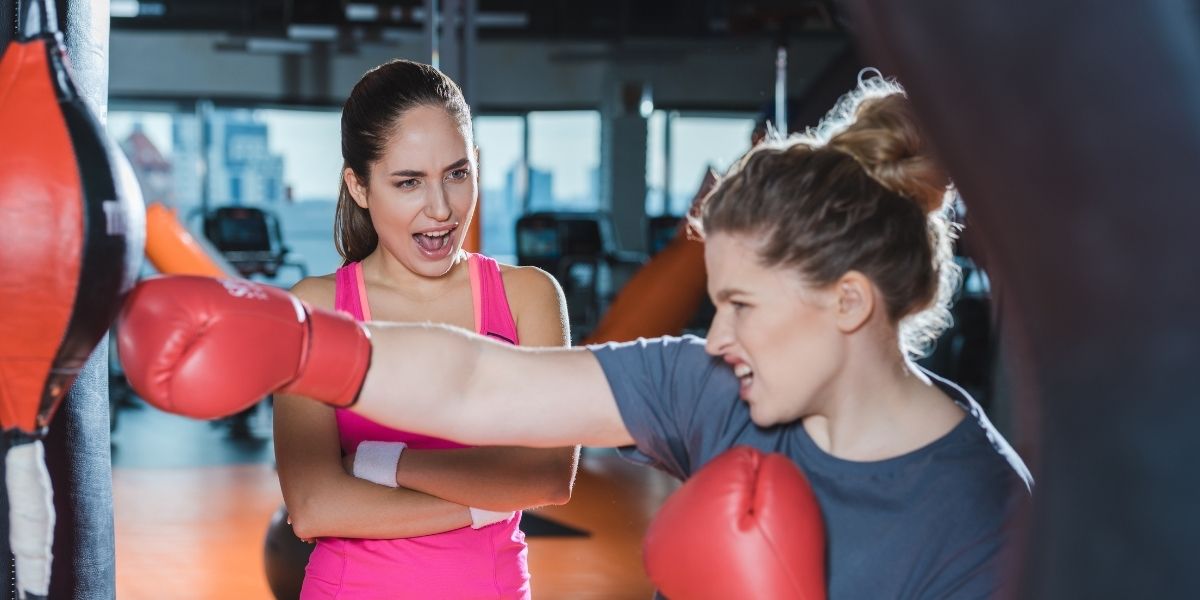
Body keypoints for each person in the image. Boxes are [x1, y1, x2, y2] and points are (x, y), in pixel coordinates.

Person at [119, 74, 1032, 598]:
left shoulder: (988, 518)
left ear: (847, 302)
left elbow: (538, 473)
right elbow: (480, 385)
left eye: (743, 305)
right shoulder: (711, 387)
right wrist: (297, 345)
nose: (716, 335)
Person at [273, 59, 579, 599]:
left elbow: (549, 477)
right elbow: (314, 506)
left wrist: (380, 462)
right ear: (359, 186)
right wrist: (487, 501)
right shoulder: (317, 309)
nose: (441, 209)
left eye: (457, 174)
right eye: (408, 182)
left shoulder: (527, 296)